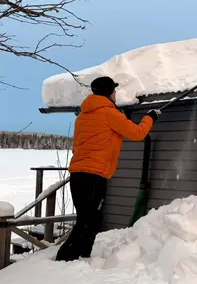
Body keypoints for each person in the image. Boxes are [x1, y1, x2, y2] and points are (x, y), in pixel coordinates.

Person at [55, 76, 160, 262]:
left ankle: (82, 256)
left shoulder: (83, 116)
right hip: (94, 176)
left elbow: (79, 145)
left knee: (88, 218)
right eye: (114, 91)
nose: (116, 94)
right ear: (109, 93)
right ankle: (65, 257)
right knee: (87, 220)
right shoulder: (109, 114)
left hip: (78, 175)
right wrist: (149, 117)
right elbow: (137, 133)